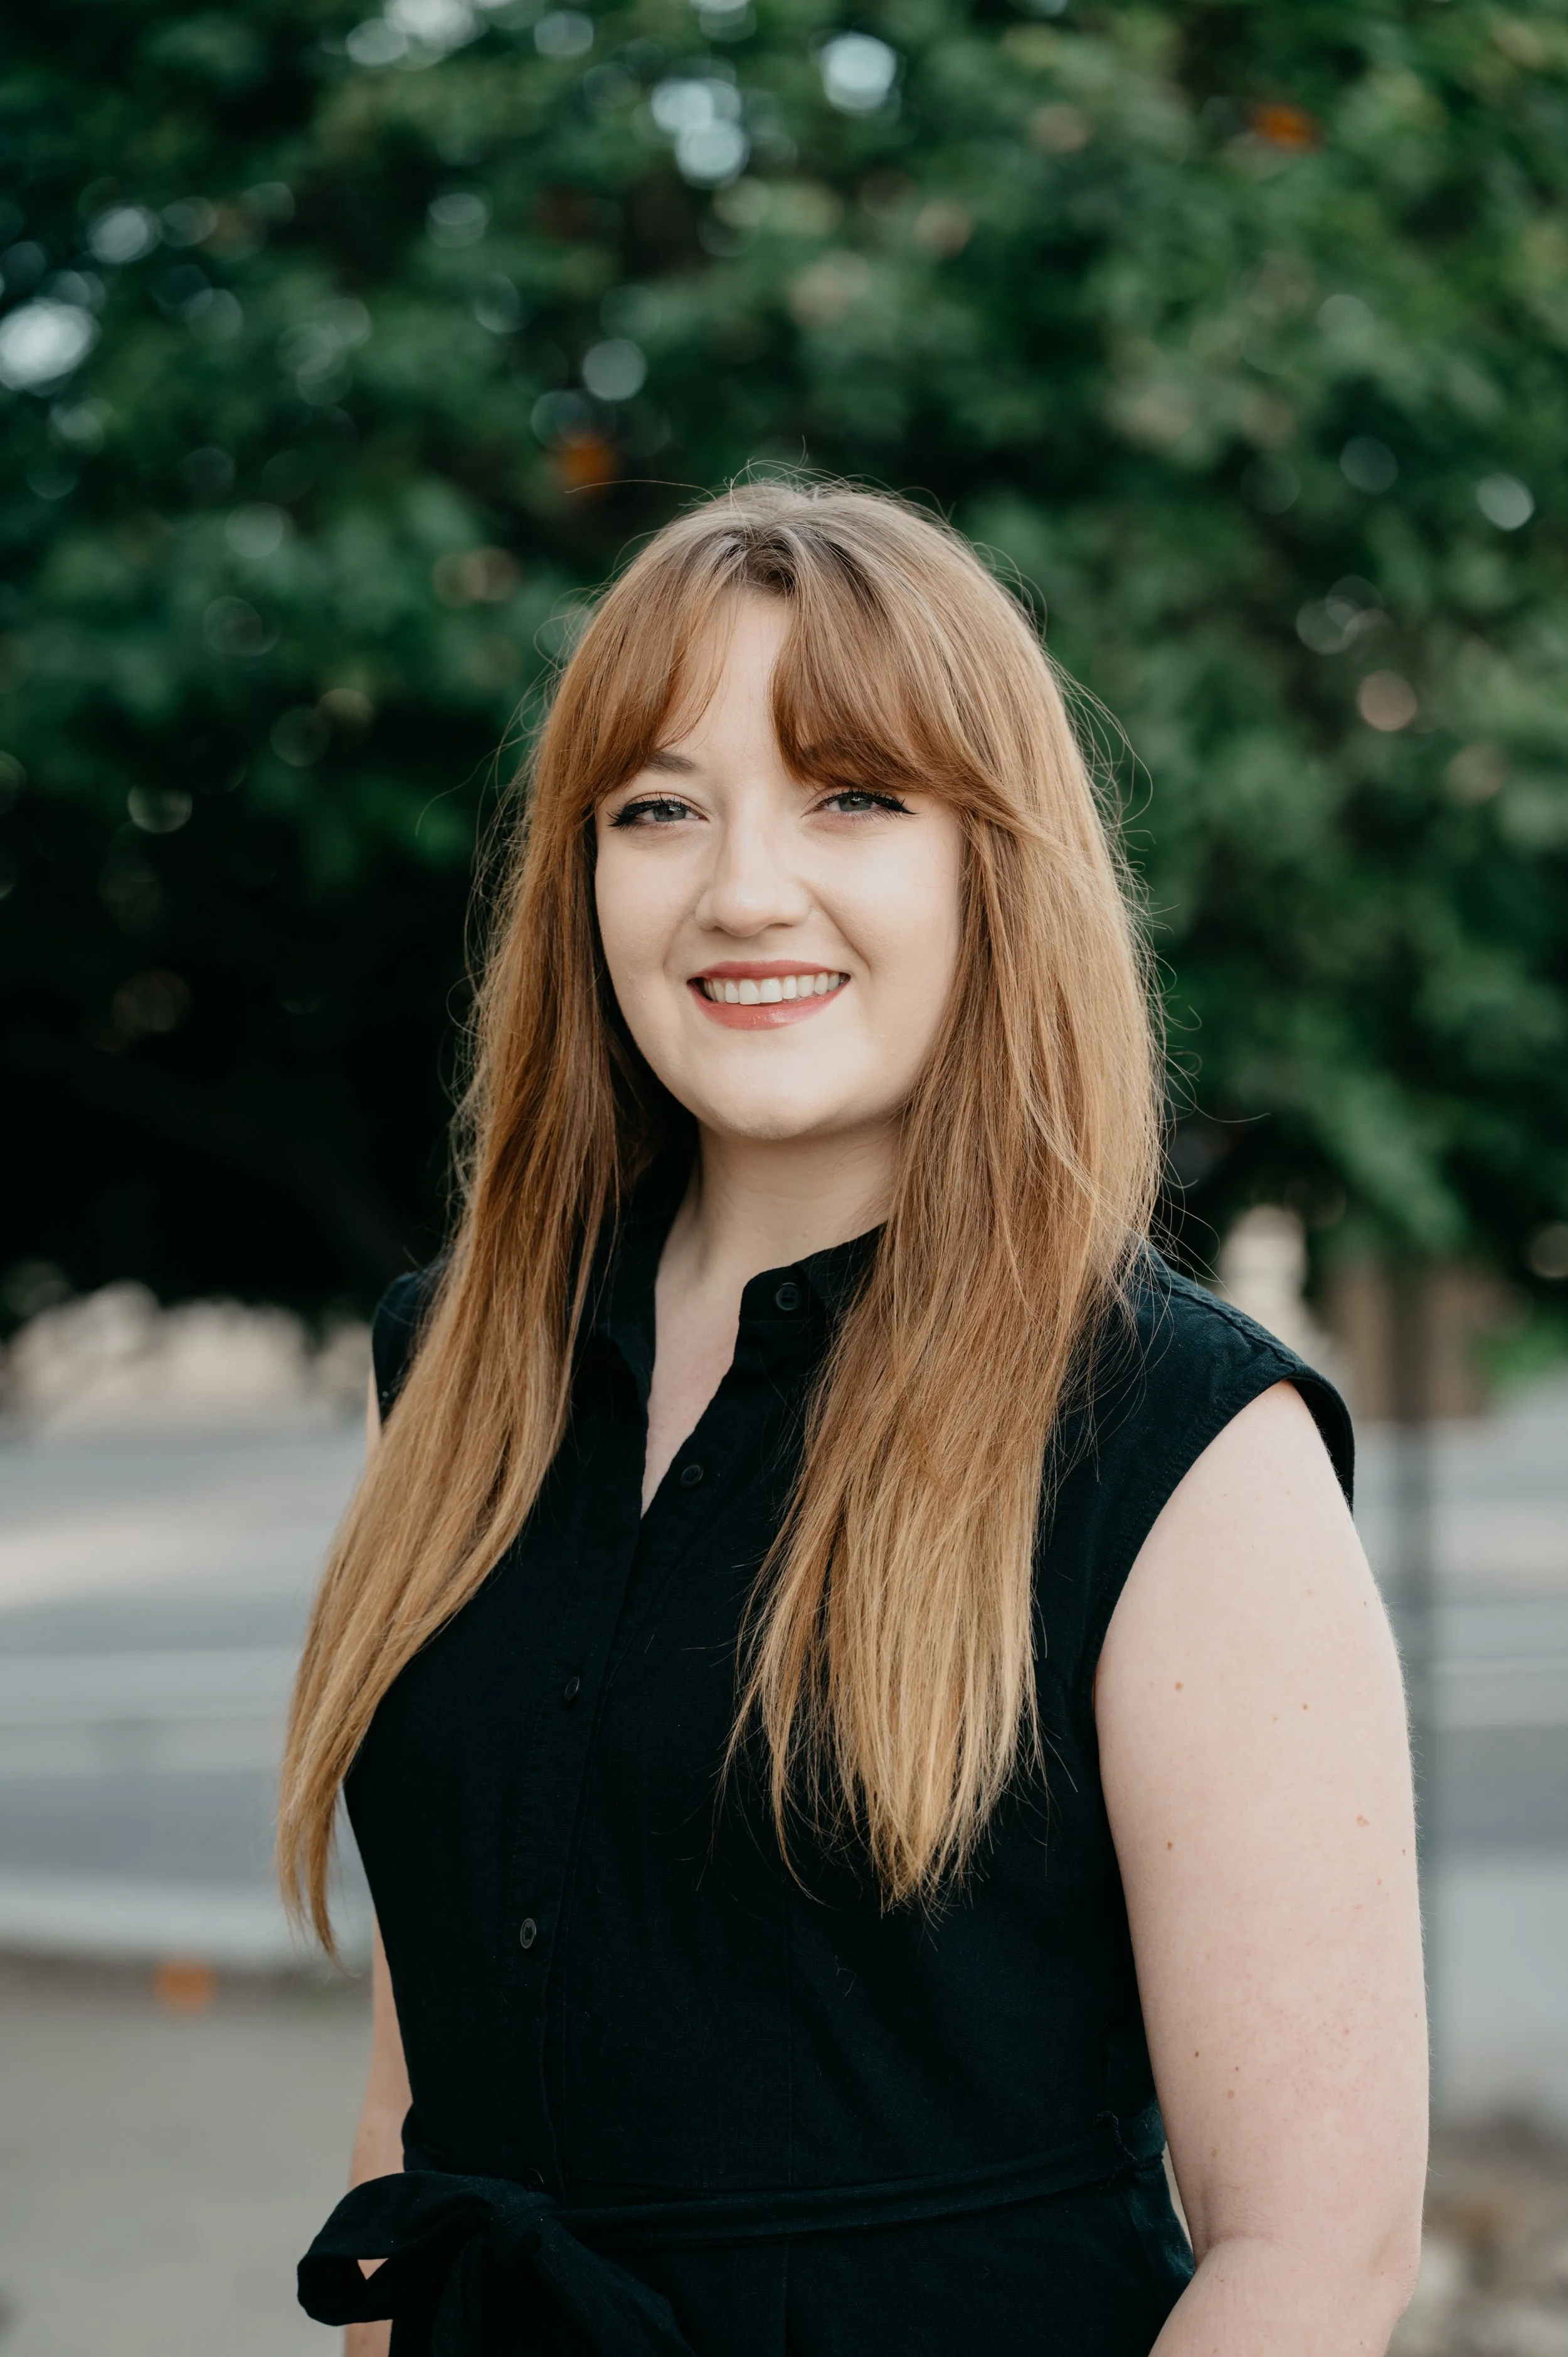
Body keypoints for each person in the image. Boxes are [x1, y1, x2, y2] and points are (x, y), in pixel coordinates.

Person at [279, 482, 1427, 2357]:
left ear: (993, 864)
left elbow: (1311, 2261)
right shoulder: (460, 1364)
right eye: (658, 807)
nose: (742, 886)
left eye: (852, 796)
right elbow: (426, 2088)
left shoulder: (1178, 1436)